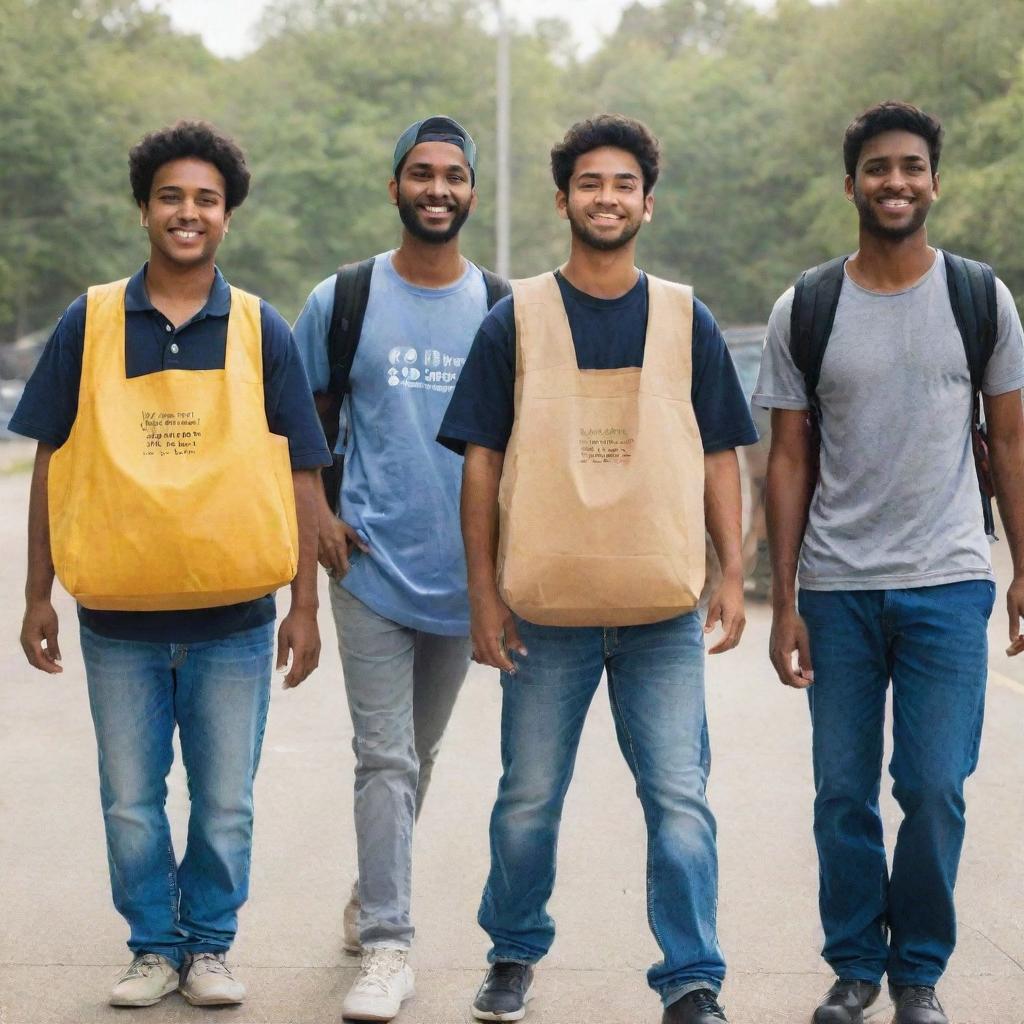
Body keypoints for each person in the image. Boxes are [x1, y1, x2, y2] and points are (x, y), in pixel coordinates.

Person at [438, 114, 759, 1024]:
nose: (606, 198)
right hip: (545, 608)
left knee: (679, 800)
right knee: (529, 798)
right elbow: (482, 462)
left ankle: (692, 977)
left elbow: (717, 455)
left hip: (660, 609)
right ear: (562, 199)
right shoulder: (516, 319)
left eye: (623, 184)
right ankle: (511, 953)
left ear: (647, 204)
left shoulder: (683, 315)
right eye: (590, 183)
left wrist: (733, 575)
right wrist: (482, 594)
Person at [12, 120, 329, 1009]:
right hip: (116, 619)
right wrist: (36, 592)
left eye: (206, 199)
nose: (187, 213)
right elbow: (51, 457)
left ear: (228, 216)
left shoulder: (264, 328)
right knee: (130, 801)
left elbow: (302, 471)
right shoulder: (93, 318)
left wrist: (305, 606)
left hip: (235, 621)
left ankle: (210, 947)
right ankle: (153, 946)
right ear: (143, 209)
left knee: (224, 803)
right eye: (170, 197)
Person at [754, 100, 1024, 1024]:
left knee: (935, 786)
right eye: (878, 168)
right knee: (842, 791)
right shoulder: (808, 306)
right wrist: (783, 596)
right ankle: (854, 966)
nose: (895, 182)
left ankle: (919, 971)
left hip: (949, 581)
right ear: (852, 185)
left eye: (912, 166)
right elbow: (786, 458)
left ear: (934, 182)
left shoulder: (980, 298)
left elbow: (1012, 444)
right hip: (837, 589)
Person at [293, 115, 507, 1022]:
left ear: (470, 191)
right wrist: (319, 524)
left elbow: (524, 446)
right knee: (382, 755)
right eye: (420, 173)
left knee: (416, 755)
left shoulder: (502, 306)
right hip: (368, 566)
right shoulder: (341, 299)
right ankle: (388, 945)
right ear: (395, 187)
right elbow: (298, 431)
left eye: (453, 175)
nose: (437, 189)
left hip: (464, 579)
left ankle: (368, 890)